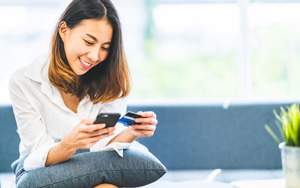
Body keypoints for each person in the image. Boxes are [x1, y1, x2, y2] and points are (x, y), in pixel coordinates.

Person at [9, 0, 161, 187]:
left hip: (95, 158)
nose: (95, 56)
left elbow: (103, 145)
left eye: (105, 47)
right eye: (89, 42)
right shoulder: (24, 81)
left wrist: (132, 132)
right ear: (64, 30)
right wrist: (70, 144)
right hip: (45, 165)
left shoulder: (113, 81)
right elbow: (38, 154)